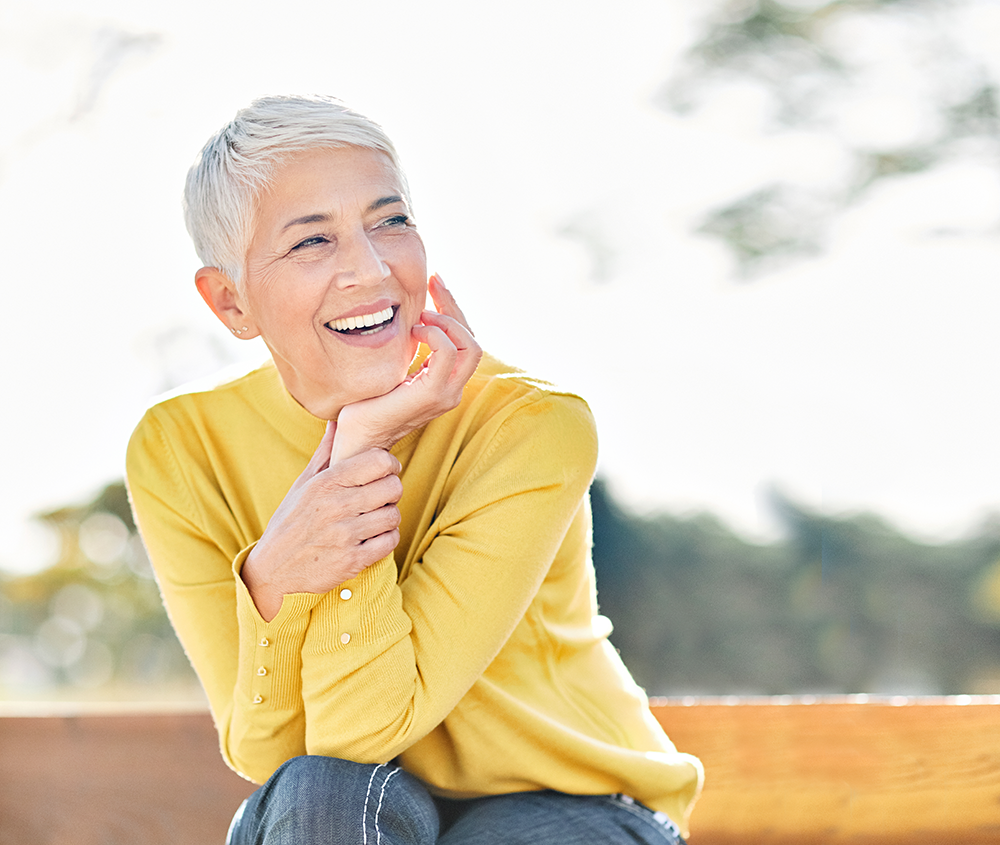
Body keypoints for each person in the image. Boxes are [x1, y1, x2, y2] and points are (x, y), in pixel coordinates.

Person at [126, 94, 703, 845]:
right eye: (311, 242)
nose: (369, 269)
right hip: (352, 813)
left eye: (390, 221)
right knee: (319, 792)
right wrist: (268, 580)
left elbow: (370, 726)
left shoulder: (530, 426)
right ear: (231, 301)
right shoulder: (180, 448)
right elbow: (268, 749)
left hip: (577, 804)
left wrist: (353, 458)